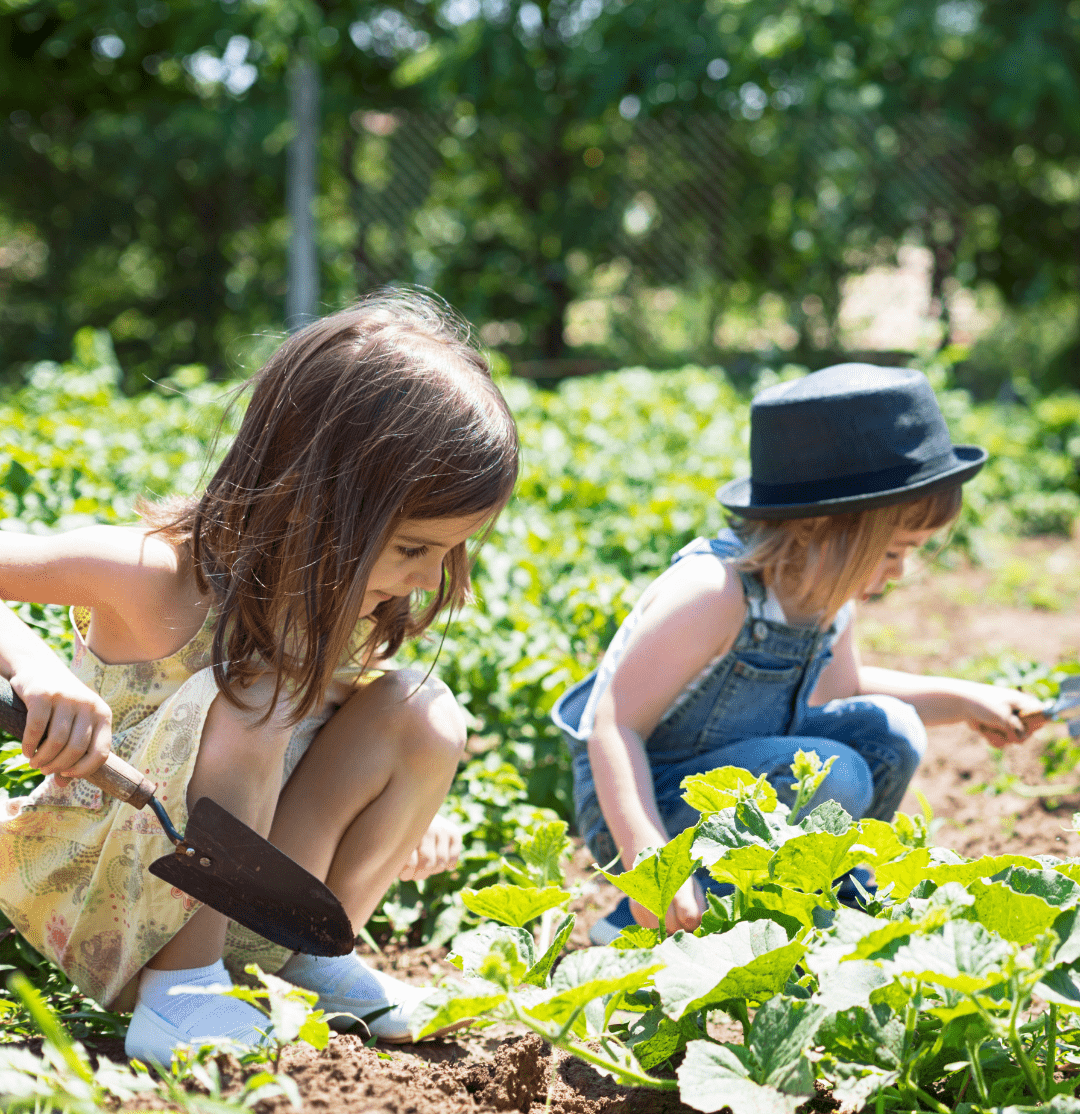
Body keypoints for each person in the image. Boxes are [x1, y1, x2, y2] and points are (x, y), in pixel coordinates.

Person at [0, 292, 519, 1064]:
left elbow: (338, 736)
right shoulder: (154, 574)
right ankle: (184, 997)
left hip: (238, 895)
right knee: (259, 694)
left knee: (422, 708)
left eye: (448, 551)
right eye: (414, 547)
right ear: (318, 504)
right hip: (103, 886)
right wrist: (41, 672)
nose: (428, 578)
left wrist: (404, 811)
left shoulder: (321, 609)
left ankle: (307, 964)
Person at [553, 363, 1045, 945]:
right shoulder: (715, 591)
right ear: (820, 531)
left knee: (892, 732)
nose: (900, 572)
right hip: (646, 806)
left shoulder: (829, 594)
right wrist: (650, 868)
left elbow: (845, 692)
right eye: (891, 552)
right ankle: (639, 920)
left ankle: (818, 890)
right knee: (837, 774)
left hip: (745, 784)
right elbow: (611, 726)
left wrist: (965, 700)